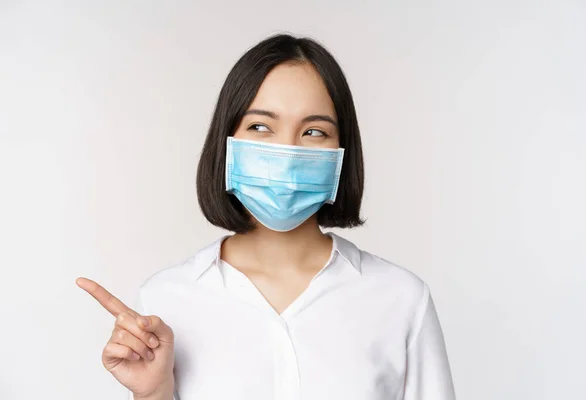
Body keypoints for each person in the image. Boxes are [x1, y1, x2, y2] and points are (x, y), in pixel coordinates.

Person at [76, 34, 455, 400]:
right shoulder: (166, 299)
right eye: (260, 127)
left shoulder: (401, 299)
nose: (287, 152)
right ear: (227, 140)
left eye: (313, 131)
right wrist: (152, 395)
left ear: (342, 151)